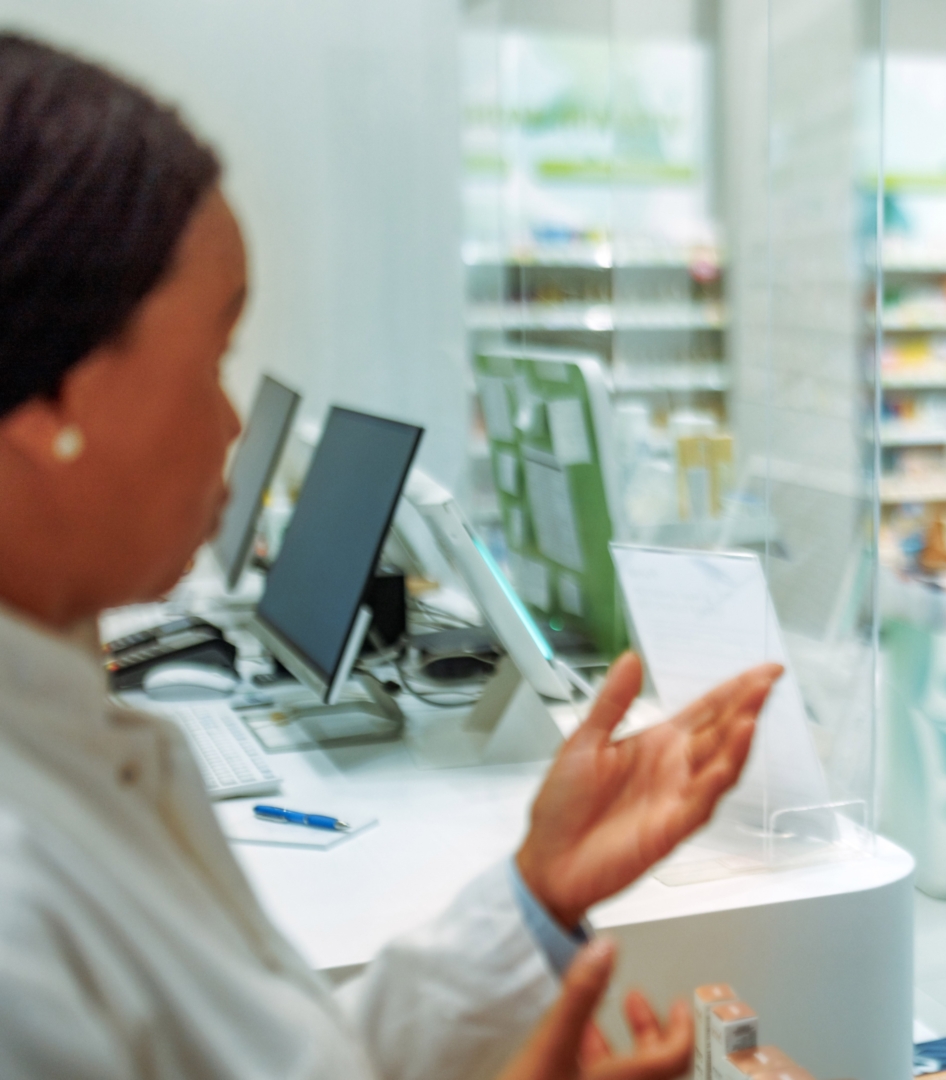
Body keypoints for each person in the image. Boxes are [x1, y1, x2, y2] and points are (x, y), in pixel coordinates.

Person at [0, 32, 777, 1080]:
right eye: (215, 356)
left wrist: (534, 891)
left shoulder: (77, 744)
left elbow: (300, 1061)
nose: (234, 422)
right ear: (53, 403)